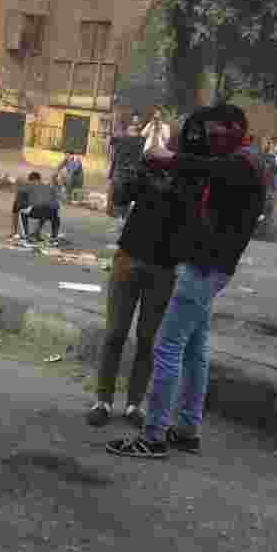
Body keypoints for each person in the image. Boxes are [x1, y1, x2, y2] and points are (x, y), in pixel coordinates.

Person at [106, 103, 268, 459]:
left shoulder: (244, 163)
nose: (207, 140)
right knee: (195, 349)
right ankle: (187, 428)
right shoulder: (238, 161)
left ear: (233, 130)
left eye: (214, 132)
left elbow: (202, 166)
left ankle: (154, 435)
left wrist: (167, 157)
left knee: (167, 346)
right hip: (209, 267)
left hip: (206, 269)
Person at [87, 115, 179, 429]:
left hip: (164, 266)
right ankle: (102, 400)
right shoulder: (150, 167)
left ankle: (133, 405)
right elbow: (121, 198)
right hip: (130, 256)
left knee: (147, 339)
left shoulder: (193, 179)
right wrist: (136, 167)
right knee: (115, 333)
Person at [108, 113, 145, 232]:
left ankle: (122, 224)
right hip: (129, 173)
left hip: (125, 174)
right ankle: (122, 224)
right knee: (125, 201)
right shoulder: (139, 141)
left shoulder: (127, 139)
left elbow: (113, 146)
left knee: (121, 201)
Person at [11, 172, 62, 244]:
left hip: (37, 210)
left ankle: (26, 236)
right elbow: (55, 204)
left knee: (21, 211)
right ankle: (53, 237)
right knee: (51, 212)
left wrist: (14, 232)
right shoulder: (46, 186)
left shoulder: (25, 187)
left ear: (30, 180)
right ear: (39, 179)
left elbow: (16, 209)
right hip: (52, 212)